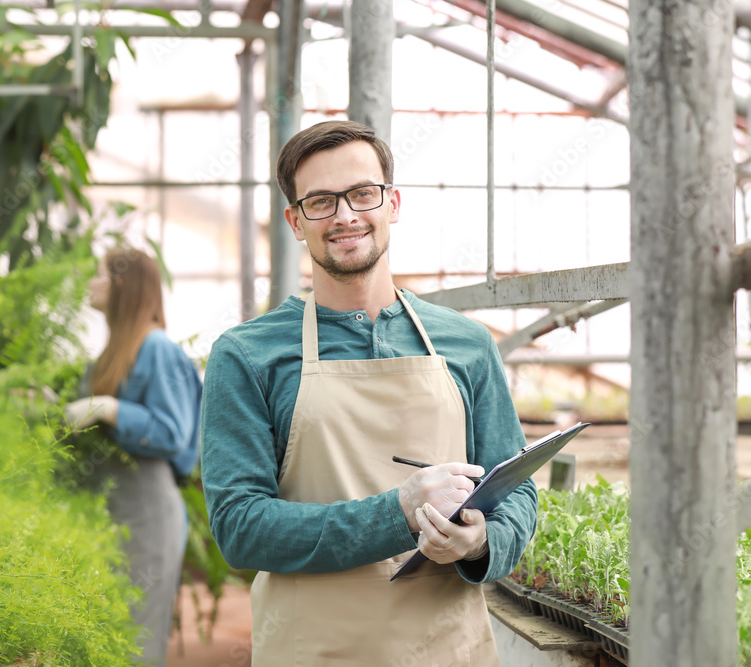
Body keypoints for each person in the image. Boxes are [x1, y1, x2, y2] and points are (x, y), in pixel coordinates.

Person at [200, 120, 537, 666]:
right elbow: (239, 527)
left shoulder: (468, 344)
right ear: (295, 221)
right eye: (321, 202)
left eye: (363, 194)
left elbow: (515, 487)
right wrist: (398, 513)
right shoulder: (247, 355)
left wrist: (479, 544)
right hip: (312, 651)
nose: (345, 216)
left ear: (393, 203)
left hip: (447, 650)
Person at [63, 247, 202, 667]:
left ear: (123, 285)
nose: (90, 283)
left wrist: (110, 408)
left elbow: (174, 434)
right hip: (105, 509)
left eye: (99, 274)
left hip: (146, 514)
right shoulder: (107, 356)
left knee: (134, 639)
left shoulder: (158, 349)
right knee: (98, 638)